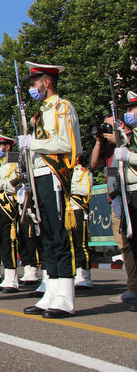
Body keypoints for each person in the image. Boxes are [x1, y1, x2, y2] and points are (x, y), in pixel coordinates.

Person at [18, 61, 82, 318]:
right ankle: (52, 292)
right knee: (46, 237)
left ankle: (65, 297)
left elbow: (67, 143)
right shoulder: (40, 113)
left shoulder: (62, 107)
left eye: (34, 83)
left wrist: (33, 143)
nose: (32, 88)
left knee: (58, 236)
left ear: (47, 82)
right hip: (40, 177)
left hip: (55, 175)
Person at [104, 90, 137, 307]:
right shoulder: (129, 137)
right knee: (132, 243)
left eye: (132, 109)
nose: (129, 114)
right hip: (128, 191)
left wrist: (130, 156)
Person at [0, 134, 20, 293]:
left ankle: (12, 278)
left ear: (7, 147)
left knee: (8, 242)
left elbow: (14, 187)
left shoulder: (15, 166)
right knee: (0, 241)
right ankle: (7, 276)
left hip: (8, 206)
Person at [70, 156, 93, 289]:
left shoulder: (84, 172)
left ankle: (85, 275)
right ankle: (74, 273)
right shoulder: (66, 172)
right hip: (68, 210)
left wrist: (70, 187)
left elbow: (85, 190)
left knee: (81, 244)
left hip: (79, 209)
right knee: (71, 244)